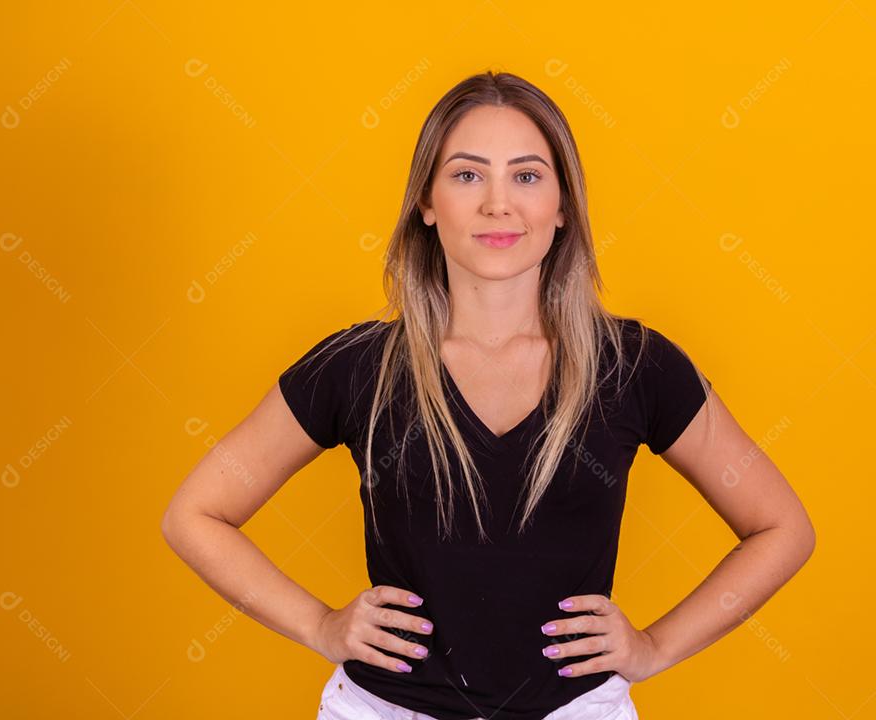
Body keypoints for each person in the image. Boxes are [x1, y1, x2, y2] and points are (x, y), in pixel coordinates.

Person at [161, 70, 816, 720]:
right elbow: (195, 515)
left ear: (563, 207)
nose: (497, 204)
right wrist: (319, 625)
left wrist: (654, 647)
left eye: (527, 176)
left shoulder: (634, 366)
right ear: (426, 202)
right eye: (468, 174)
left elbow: (781, 529)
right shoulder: (357, 367)